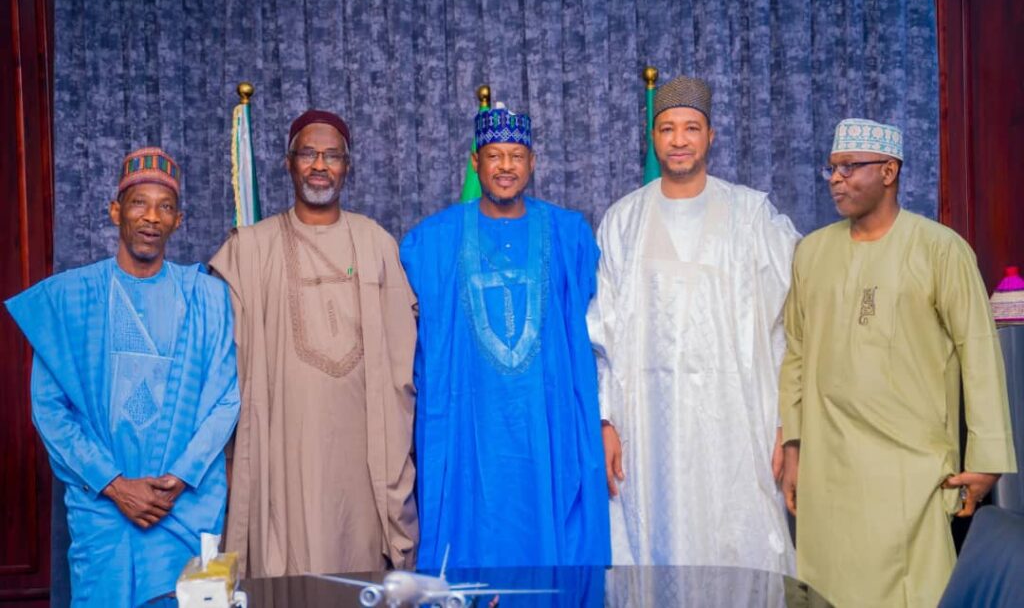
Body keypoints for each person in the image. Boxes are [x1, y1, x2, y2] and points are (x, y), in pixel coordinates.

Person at [779, 118, 1018, 607]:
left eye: (850, 167)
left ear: (889, 171)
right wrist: (794, 446)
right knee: (827, 590)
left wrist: (987, 460)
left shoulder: (940, 250)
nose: (836, 178)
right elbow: (796, 354)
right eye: (832, 168)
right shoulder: (812, 253)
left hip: (910, 470)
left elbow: (979, 352)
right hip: (828, 469)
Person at [5, 147, 240, 607]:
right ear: (116, 211)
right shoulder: (71, 300)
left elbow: (227, 398)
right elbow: (50, 412)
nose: (151, 217)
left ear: (179, 220)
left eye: (165, 207)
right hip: (103, 513)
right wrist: (115, 485)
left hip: (182, 508)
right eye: (139, 203)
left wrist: (179, 477)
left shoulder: (208, 298)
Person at [588, 76, 799, 575]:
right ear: (653, 138)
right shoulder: (623, 221)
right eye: (667, 129)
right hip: (648, 428)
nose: (679, 140)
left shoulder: (751, 216)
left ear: (711, 136)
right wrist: (605, 420)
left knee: (739, 544)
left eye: (690, 128)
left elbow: (787, 324)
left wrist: (785, 424)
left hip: (738, 421)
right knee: (654, 546)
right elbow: (603, 334)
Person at [400, 103, 610, 568]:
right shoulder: (433, 241)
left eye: (516, 156)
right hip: (469, 423)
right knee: (472, 534)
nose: (506, 167)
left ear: (532, 162)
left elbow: (600, 327)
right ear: (475, 162)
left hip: (547, 421)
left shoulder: (568, 235)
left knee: (548, 539)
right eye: (494, 156)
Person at [211, 109, 417, 576]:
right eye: (308, 154)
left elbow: (403, 359)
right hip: (281, 450)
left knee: (357, 570)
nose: (319, 165)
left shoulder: (375, 243)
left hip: (364, 451)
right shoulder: (250, 248)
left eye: (332, 156)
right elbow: (217, 361)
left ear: (347, 166)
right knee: (288, 571)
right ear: (288, 163)